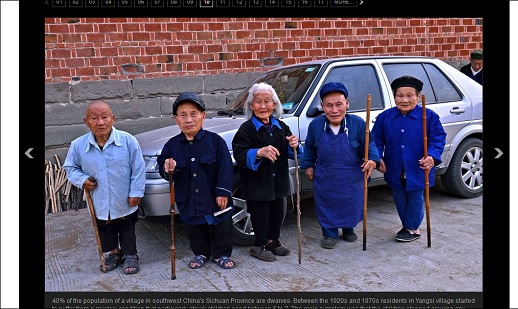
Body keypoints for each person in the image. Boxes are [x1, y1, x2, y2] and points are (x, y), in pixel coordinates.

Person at [63, 100, 146, 275]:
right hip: (99, 198)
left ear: (112, 119)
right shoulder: (78, 145)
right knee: (105, 227)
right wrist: (82, 179)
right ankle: (114, 253)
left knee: (127, 226)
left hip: (124, 197)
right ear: (86, 121)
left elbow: (138, 168)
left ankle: (131, 255)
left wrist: (136, 192)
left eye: (104, 117)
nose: (100, 122)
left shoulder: (128, 141)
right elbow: (70, 168)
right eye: (94, 118)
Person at [157, 92, 236, 270]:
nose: (189, 119)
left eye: (194, 114)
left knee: (221, 225)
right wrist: (167, 167)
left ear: (203, 116)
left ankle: (221, 254)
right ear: (176, 119)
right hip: (189, 198)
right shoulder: (171, 145)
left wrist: (223, 191)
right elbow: (162, 166)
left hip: (213, 196)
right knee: (195, 228)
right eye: (183, 115)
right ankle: (200, 253)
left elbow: (226, 168)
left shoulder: (215, 142)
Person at [299, 82, 380, 249]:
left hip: (352, 176)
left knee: (351, 203)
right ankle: (329, 233)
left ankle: (349, 229)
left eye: (339, 104)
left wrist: (372, 160)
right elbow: (309, 148)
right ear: (322, 106)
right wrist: (308, 165)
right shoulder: (316, 126)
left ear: (347, 103)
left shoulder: (357, 124)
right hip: (326, 176)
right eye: (329, 106)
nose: (334, 110)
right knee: (326, 204)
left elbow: (369, 144)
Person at [232, 82, 303, 262]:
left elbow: (291, 150)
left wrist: (295, 145)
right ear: (251, 106)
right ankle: (259, 245)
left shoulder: (280, 126)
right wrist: (258, 152)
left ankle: (273, 241)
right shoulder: (246, 129)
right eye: (258, 102)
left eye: (267, 101)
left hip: (278, 182)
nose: (262, 106)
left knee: (277, 213)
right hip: (257, 184)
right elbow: (239, 153)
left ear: (274, 105)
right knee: (260, 215)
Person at [371, 75, 447, 242]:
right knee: (399, 197)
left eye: (409, 95)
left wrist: (432, 157)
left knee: (415, 197)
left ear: (418, 97)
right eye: (400, 95)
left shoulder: (429, 116)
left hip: (418, 166)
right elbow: (376, 140)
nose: (404, 100)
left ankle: (412, 228)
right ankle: (409, 226)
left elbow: (438, 138)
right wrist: (377, 157)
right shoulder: (385, 117)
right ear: (394, 97)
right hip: (394, 166)